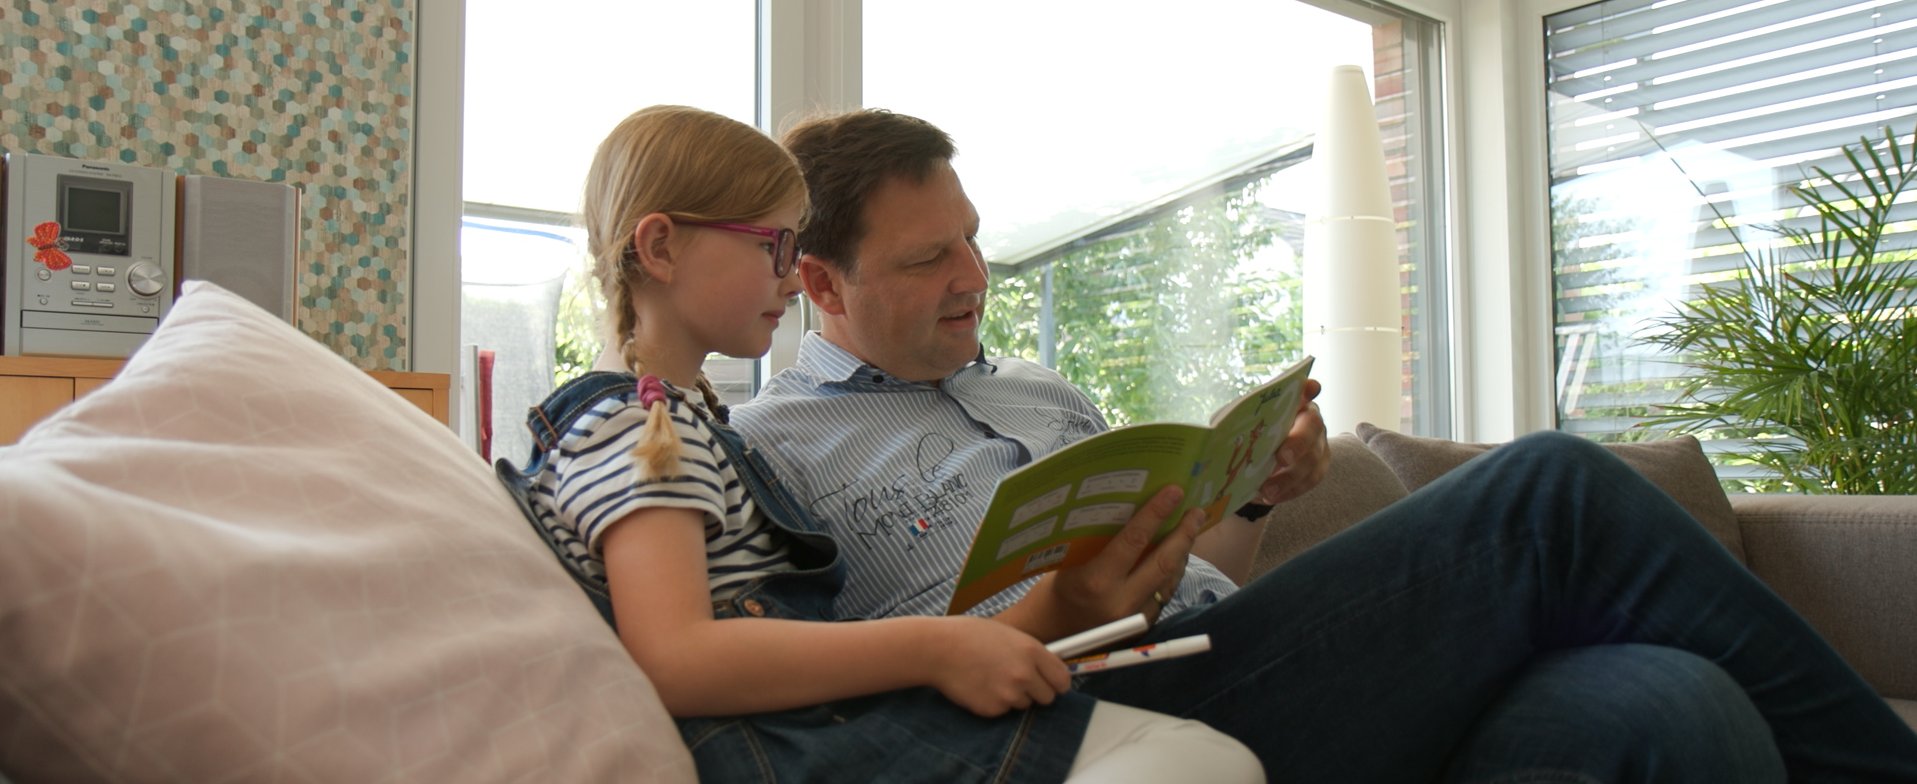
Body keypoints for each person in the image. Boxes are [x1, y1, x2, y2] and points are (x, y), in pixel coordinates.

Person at [729, 107, 1917, 781]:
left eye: (974, 241)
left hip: (1235, 654)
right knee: (1549, 488)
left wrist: (1245, 499)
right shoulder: (771, 449)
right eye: (927, 259)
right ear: (821, 281)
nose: (974, 278)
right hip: (1078, 717)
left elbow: (1199, 575)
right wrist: (1049, 606)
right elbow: (825, 702)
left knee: (1665, 700)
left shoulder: (1038, 392)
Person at [498, 105, 1262, 784]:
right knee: (1203, 761)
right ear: (661, 248)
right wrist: (938, 647)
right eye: (773, 247)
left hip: (849, 724)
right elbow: (672, 657)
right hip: (813, 745)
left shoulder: (680, 420)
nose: (791, 282)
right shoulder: (637, 425)